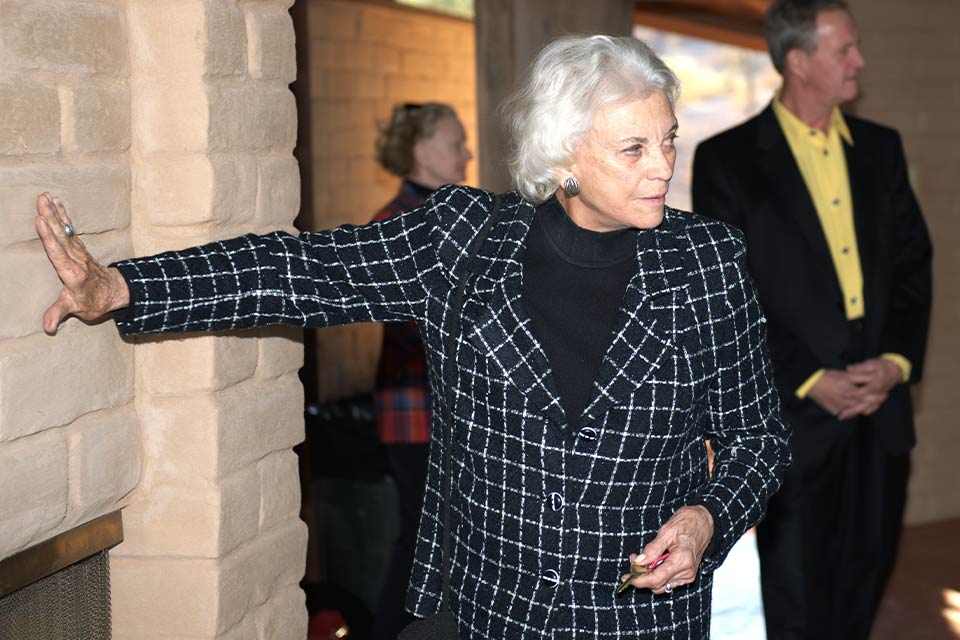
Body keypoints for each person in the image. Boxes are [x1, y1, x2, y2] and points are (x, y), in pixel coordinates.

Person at [36, 35, 789, 639]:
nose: (664, 166)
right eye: (634, 148)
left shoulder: (706, 260)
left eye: (669, 140)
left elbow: (759, 438)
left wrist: (707, 520)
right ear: (563, 156)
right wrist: (125, 287)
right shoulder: (465, 240)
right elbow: (306, 270)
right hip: (489, 614)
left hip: (641, 620)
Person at [692, 2, 933, 639]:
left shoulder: (882, 150)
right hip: (792, 418)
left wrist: (897, 363)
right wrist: (807, 378)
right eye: (843, 50)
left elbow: (914, 267)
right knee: (797, 601)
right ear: (798, 62)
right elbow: (729, 299)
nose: (859, 62)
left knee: (866, 583)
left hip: (882, 411)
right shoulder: (728, 160)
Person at [370, 102, 472, 639]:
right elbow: (415, 324)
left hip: (449, 415)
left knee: (448, 543)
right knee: (422, 542)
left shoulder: (456, 216)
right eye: (457, 142)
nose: (468, 153)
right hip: (417, 416)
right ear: (421, 150)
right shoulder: (395, 223)